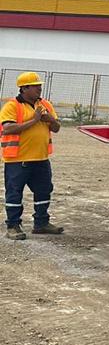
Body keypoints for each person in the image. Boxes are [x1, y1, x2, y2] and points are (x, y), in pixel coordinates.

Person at [2, 71, 63, 240]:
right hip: (18, 159)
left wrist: (51, 119)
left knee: (44, 191)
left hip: (41, 158)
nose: (39, 88)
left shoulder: (45, 104)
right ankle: (13, 226)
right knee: (14, 193)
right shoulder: (12, 106)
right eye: (35, 86)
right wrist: (35, 120)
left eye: (39, 85)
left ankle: (41, 223)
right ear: (24, 88)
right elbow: (8, 128)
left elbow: (56, 128)